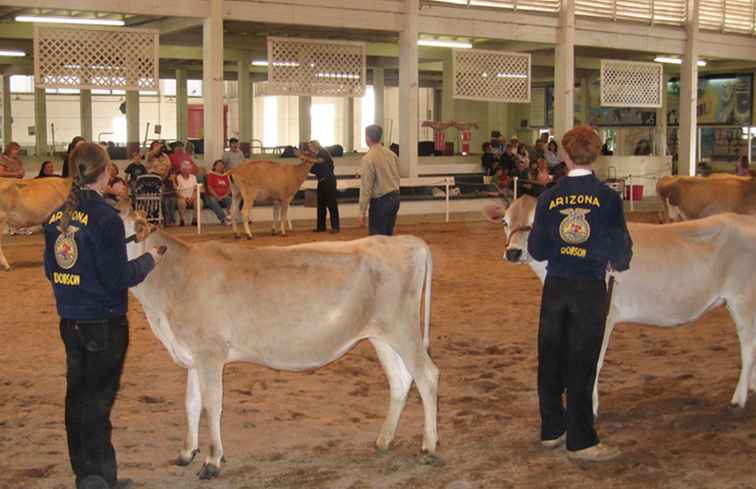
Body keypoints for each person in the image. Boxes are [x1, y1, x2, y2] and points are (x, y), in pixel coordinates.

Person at [43, 142, 162, 489]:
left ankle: (88, 473)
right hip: (104, 323)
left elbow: (51, 270)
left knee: (77, 398)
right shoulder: (106, 220)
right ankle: (97, 479)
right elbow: (118, 278)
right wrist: (150, 259)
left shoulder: (55, 218)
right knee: (97, 403)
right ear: (106, 172)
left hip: (71, 320)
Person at [527, 125, 633, 462]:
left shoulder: (549, 197)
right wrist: (615, 260)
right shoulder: (608, 198)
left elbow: (538, 248)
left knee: (551, 358)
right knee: (583, 364)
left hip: (556, 286)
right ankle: (581, 439)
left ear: (565, 156)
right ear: (597, 155)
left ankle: (551, 429)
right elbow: (622, 250)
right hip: (589, 287)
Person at [358, 124, 401, 236]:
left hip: (381, 202)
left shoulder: (368, 158)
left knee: (377, 240)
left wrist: (362, 211)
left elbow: (366, 187)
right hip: (395, 198)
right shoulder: (392, 154)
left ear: (367, 138)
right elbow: (397, 175)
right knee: (388, 235)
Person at [307, 140, 340, 233]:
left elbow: (320, 161)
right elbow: (313, 169)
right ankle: (321, 227)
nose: (310, 149)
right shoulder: (315, 156)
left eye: (310, 147)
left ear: (315, 146)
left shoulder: (323, 152)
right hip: (321, 182)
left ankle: (335, 227)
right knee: (321, 205)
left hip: (329, 181)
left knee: (332, 204)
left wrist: (306, 158)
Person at [205, 160, 232, 225]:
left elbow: (229, 188)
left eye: (222, 165)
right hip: (213, 196)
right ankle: (223, 219)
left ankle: (230, 218)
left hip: (224, 196)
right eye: (219, 165)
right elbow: (209, 187)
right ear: (214, 167)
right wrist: (217, 196)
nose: (221, 166)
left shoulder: (226, 175)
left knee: (230, 200)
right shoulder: (211, 174)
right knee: (213, 201)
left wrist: (224, 196)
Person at [175, 161, 202, 226]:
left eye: (189, 169)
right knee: (181, 202)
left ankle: (194, 219)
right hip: (182, 197)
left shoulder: (193, 177)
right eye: (185, 169)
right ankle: (182, 219)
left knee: (200, 201)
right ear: (182, 170)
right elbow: (176, 191)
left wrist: (193, 197)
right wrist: (184, 198)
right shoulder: (178, 177)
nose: (187, 171)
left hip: (192, 197)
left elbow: (196, 189)